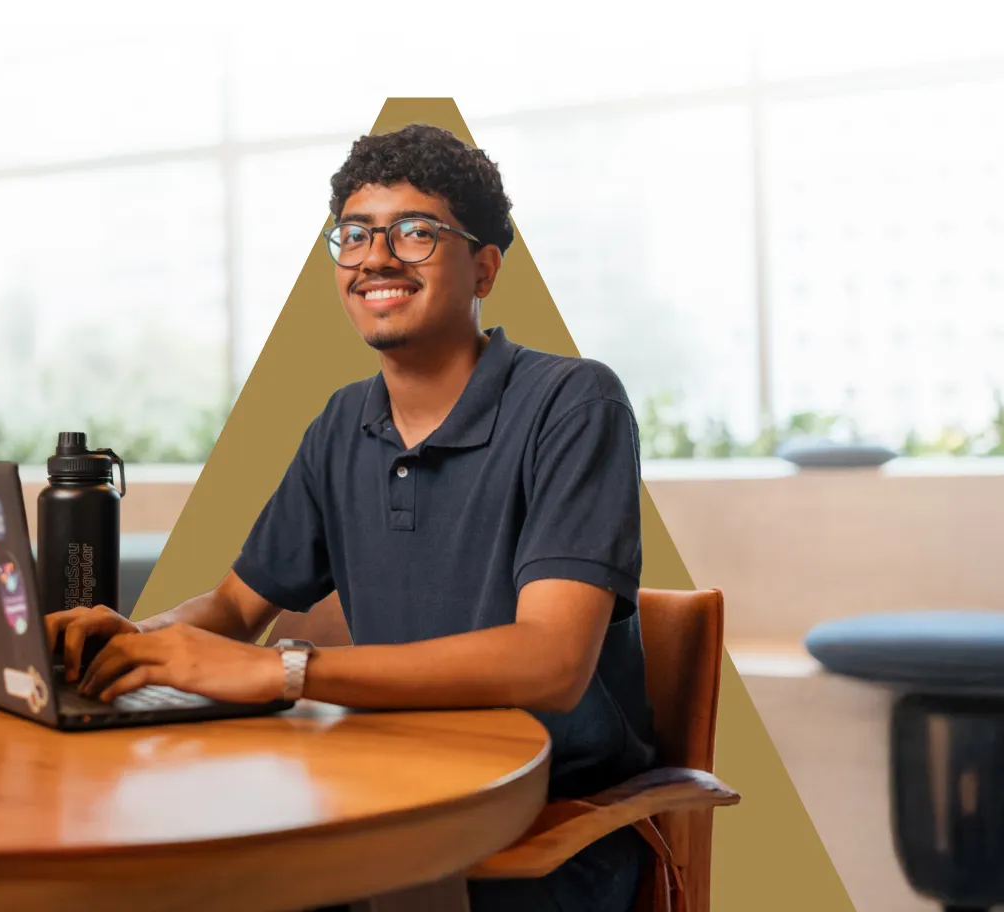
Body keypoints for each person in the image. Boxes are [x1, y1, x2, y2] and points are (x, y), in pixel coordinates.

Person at [46, 123, 656, 912]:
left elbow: (551, 661)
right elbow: (236, 606)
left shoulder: (573, 404)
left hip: (537, 838)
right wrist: (138, 643)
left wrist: (283, 671)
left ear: (484, 267)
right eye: (356, 234)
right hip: (380, 804)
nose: (375, 257)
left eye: (415, 232)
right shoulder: (343, 424)